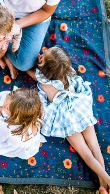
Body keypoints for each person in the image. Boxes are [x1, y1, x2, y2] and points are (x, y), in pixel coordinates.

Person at [29, 46, 110, 194]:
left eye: (43, 54)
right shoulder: (66, 70)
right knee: (94, 147)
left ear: (42, 64)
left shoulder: (42, 80)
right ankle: (103, 185)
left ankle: (107, 181)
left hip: (65, 117)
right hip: (79, 107)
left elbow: (30, 72)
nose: (41, 52)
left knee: (85, 153)